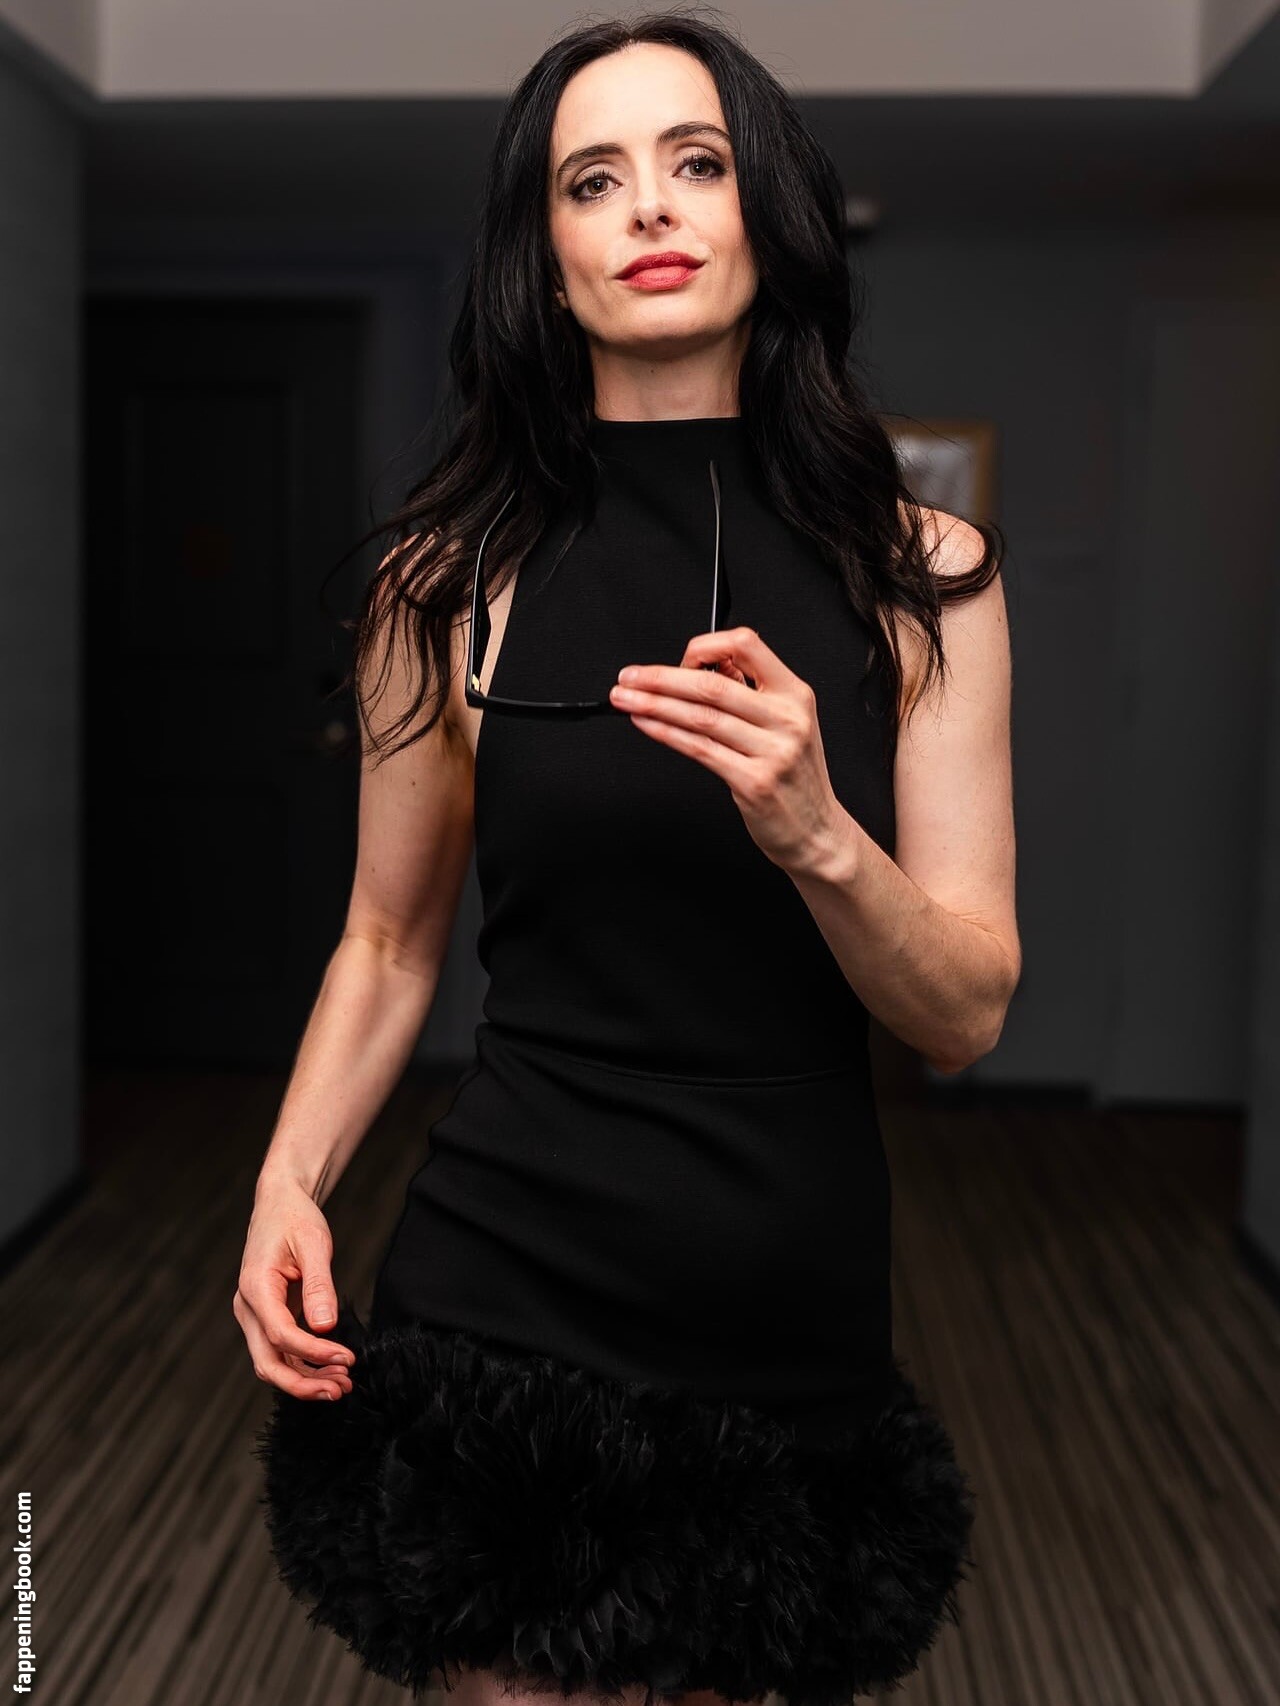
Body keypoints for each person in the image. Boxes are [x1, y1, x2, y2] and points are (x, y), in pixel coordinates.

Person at [239, 11, 1019, 1706]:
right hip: (505, 1281)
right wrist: (290, 1177)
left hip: (781, 1307)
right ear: (545, 258)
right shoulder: (441, 584)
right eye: (592, 180)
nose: (649, 206)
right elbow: (387, 940)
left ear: (767, 216)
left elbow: (965, 1013)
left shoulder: (923, 576)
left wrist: (821, 838)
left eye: (696, 162)